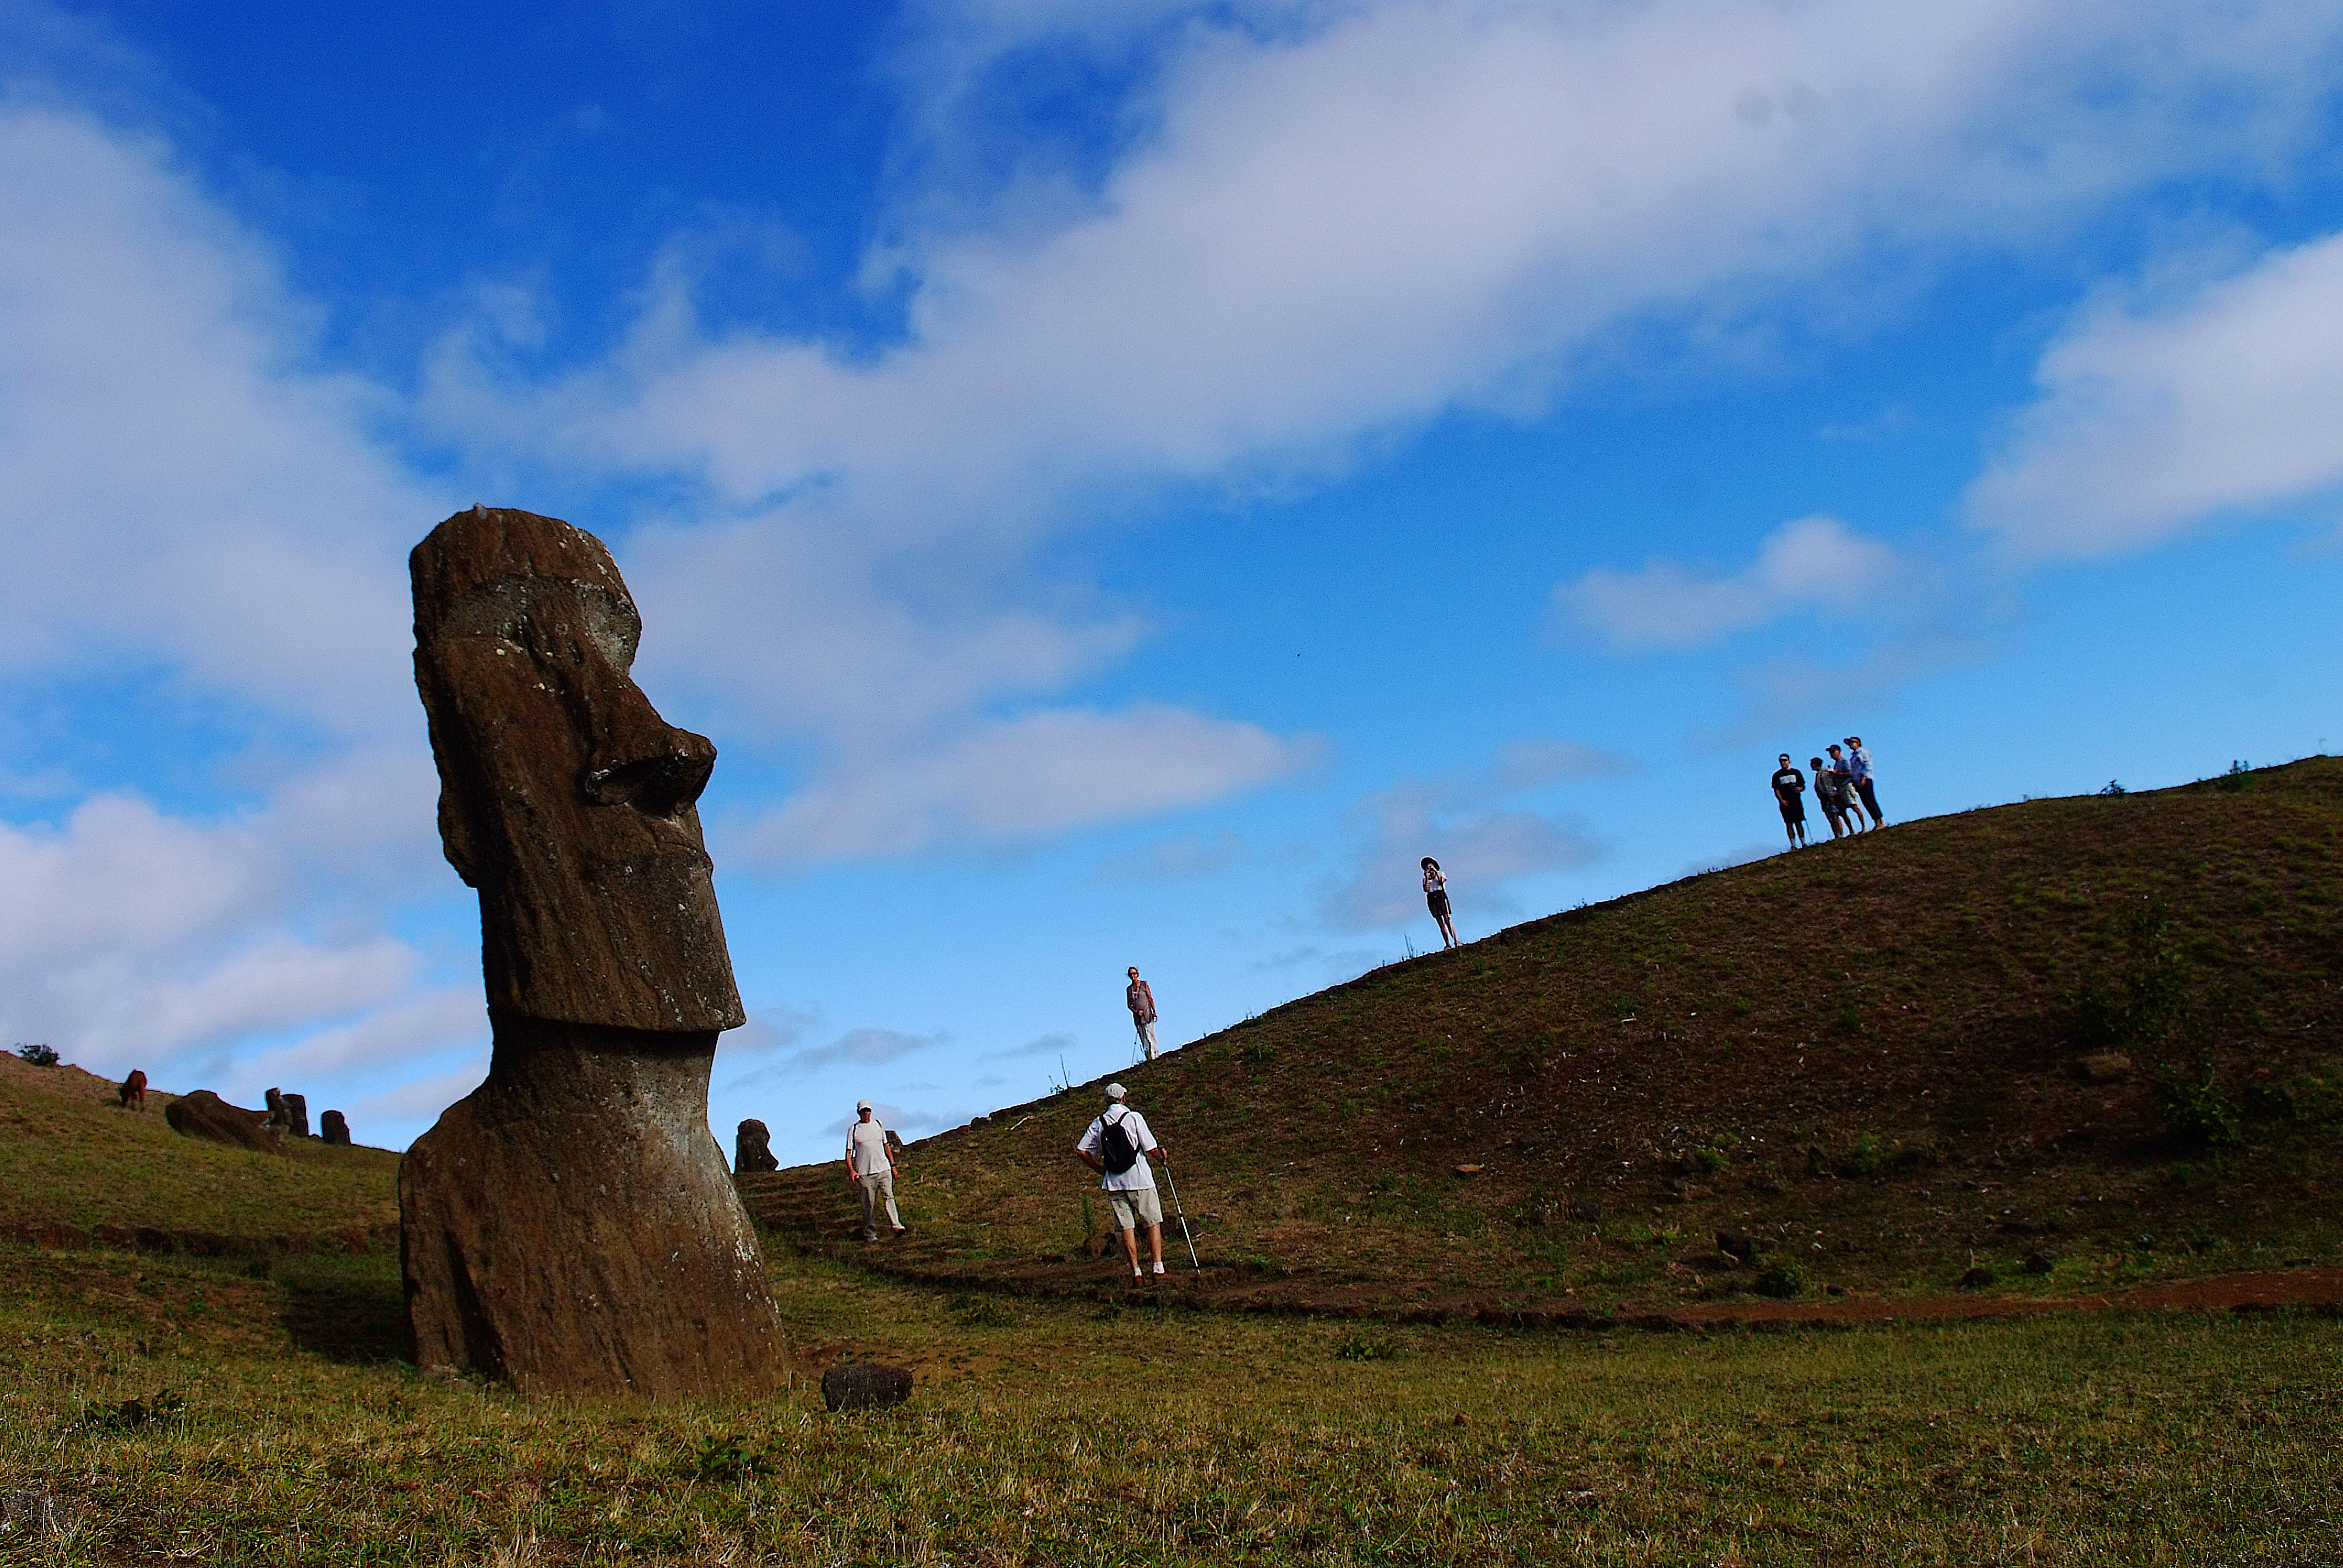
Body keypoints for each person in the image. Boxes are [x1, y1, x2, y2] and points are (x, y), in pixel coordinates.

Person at [1075, 1082, 1167, 1280]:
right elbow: (1150, 1147)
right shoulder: (1134, 1117)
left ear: (1106, 1101)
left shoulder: (1099, 1123)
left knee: (1127, 1227)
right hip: (1140, 1179)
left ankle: (1136, 1272)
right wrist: (1162, 1157)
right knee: (1152, 1222)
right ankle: (1158, 1269)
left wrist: (1100, 1169)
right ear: (1124, 1098)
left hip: (1114, 1182)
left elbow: (1081, 1150)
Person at [843, 1099, 906, 1241]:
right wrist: (852, 1170)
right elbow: (848, 1152)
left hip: (883, 1169)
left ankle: (896, 1225)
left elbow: (886, 1145)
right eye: (863, 1111)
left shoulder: (878, 1125)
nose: (866, 1114)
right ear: (859, 1113)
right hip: (865, 1173)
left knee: (889, 1196)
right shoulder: (854, 1130)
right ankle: (870, 1233)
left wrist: (893, 1166)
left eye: (868, 1111)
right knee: (869, 1205)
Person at [1825, 744, 1868, 834]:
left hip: (1847, 787)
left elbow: (1850, 773)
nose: (1832, 754)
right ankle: (1852, 831)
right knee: (1842, 811)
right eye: (1831, 753)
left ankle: (1864, 827)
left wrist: (1837, 774)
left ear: (1839, 752)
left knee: (1854, 807)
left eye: (1833, 752)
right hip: (1840, 789)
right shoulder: (1836, 764)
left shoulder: (1845, 761)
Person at [1770, 754, 1809, 848]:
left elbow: (1803, 785)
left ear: (1789, 761)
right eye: (1781, 761)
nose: (1783, 763)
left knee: (1799, 821)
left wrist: (1799, 789)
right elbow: (1776, 790)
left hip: (1796, 800)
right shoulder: (1777, 775)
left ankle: (1803, 842)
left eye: (1785, 761)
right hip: (1785, 802)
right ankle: (1793, 844)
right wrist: (1782, 800)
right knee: (1789, 823)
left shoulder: (1796, 772)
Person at [1845, 736, 1884, 826]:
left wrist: (1864, 778)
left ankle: (1879, 821)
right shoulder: (1853, 756)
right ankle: (1876, 821)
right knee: (1866, 802)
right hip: (1858, 781)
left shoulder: (1862, 752)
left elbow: (1868, 765)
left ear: (1858, 743)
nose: (1851, 744)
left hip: (1865, 779)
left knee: (1870, 800)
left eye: (1853, 742)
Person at [1421, 856, 1459, 950]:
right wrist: (1427, 877)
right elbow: (1426, 889)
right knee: (1440, 922)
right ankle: (1448, 944)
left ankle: (1456, 940)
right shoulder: (1426, 879)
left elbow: (1442, 881)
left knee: (1447, 919)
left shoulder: (1441, 874)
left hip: (1441, 896)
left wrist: (1435, 872)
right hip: (1431, 898)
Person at [1810, 755, 1851, 840]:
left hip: (1830, 796)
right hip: (1824, 798)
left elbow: (1827, 785)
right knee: (1831, 816)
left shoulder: (1824, 772)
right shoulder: (1819, 774)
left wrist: (1831, 795)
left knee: (1838, 814)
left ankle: (1844, 832)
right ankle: (1837, 834)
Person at [1125, 966, 1159, 1061]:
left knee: (1151, 1035)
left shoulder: (1144, 985)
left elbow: (1150, 998)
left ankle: (1156, 1056)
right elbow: (1129, 1004)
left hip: (1147, 1014)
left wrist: (1154, 1011)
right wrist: (1136, 1012)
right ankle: (1149, 1058)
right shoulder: (1129, 989)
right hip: (1138, 1018)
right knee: (1143, 1037)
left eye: (1134, 974)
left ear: (1137, 974)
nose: (1133, 976)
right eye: (1131, 974)